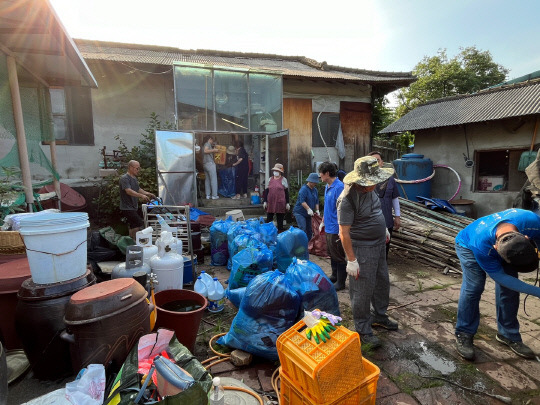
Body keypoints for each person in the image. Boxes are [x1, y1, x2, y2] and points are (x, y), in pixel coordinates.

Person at [454, 208, 540, 361]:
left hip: (502, 243)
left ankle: (508, 335)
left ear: (526, 237)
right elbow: (501, 277)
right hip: (467, 245)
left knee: (510, 291)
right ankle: (464, 332)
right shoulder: (482, 246)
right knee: (474, 287)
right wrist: (537, 291)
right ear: (495, 249)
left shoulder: (532, 221)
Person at [337, 156, 397, 348]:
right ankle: (362, 328)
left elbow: (376, 210)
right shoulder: (347, 200)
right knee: (362, 290)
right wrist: (351, 260)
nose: (375, 185)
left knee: (382, 282)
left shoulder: (371, 190)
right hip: (361, 248)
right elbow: (343, 232)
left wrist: (384, 229)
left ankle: (379, 316)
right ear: (359, 181)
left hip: (379, 244)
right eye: (371, 182)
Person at [318, 162, 346, 290]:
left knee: (338, 254)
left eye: (321, 173)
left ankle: (341, 282)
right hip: (328, 225)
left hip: (336, 227)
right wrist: (323, 220)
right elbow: (328, 206)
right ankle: (334, 275)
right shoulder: (327, 186)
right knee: (331, 253)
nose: (320, 176)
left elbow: (343, 209)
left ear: (327, 173)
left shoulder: (339, 187)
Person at [368, 151, 401, 258]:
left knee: (385, 248)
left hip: (386, 220)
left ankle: (383, 267)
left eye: (377, 160)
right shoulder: (364, 180)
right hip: (369, 222)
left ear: (382, 163)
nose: (375, 163)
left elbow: (394, 198)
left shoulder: (390, 179)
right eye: (372, 161)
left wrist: (397, 216)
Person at [119, 160, 156, 239]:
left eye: (139, 168)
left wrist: (148, 193)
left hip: (133, 206)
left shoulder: (134, 178)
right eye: (137, 168)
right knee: (138, 222)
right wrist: (141, 196)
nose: (138, 170)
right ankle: (138, 241)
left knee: (134, 225)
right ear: (130, 168)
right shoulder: (124, 178)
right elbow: (128, 191)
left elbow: (138, 189)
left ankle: (132, 241)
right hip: (127, 207)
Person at [293, 173, 320, 241]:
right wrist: (308, 209)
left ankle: (309, 244)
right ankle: (302, 245)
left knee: (309, 229)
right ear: (310, 181)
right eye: (314, 182)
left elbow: (316, 201)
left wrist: (317, 210)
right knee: (303, 228)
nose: (315, 184)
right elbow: (302, 201)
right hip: (300, 212)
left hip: (308, 214)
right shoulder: (304, 189)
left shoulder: (315, 190)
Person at [263, 163, 289, 232]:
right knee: (269, 218)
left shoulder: (284, 180)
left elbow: (286, 192)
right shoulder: (270, 179)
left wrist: (287, 203)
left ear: (280, 172)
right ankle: (268, 233)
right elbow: (266, 191)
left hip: (280, 202)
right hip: (271, 201)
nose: (275, 172)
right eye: (275, 170)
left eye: (277, 171)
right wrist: (265, 201)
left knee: (280, 219)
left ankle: (280, 233)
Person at [203, 135, 219, 199]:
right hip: (210, 163)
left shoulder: (203, 144)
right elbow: (205, 151)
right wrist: (214, 150)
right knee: (213, 179)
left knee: (207, 180)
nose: (212, 142)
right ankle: (214, 195)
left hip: (205, 164)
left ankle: (208, 195)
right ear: (210, 139)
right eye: (212, 140)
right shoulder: (207, 143)